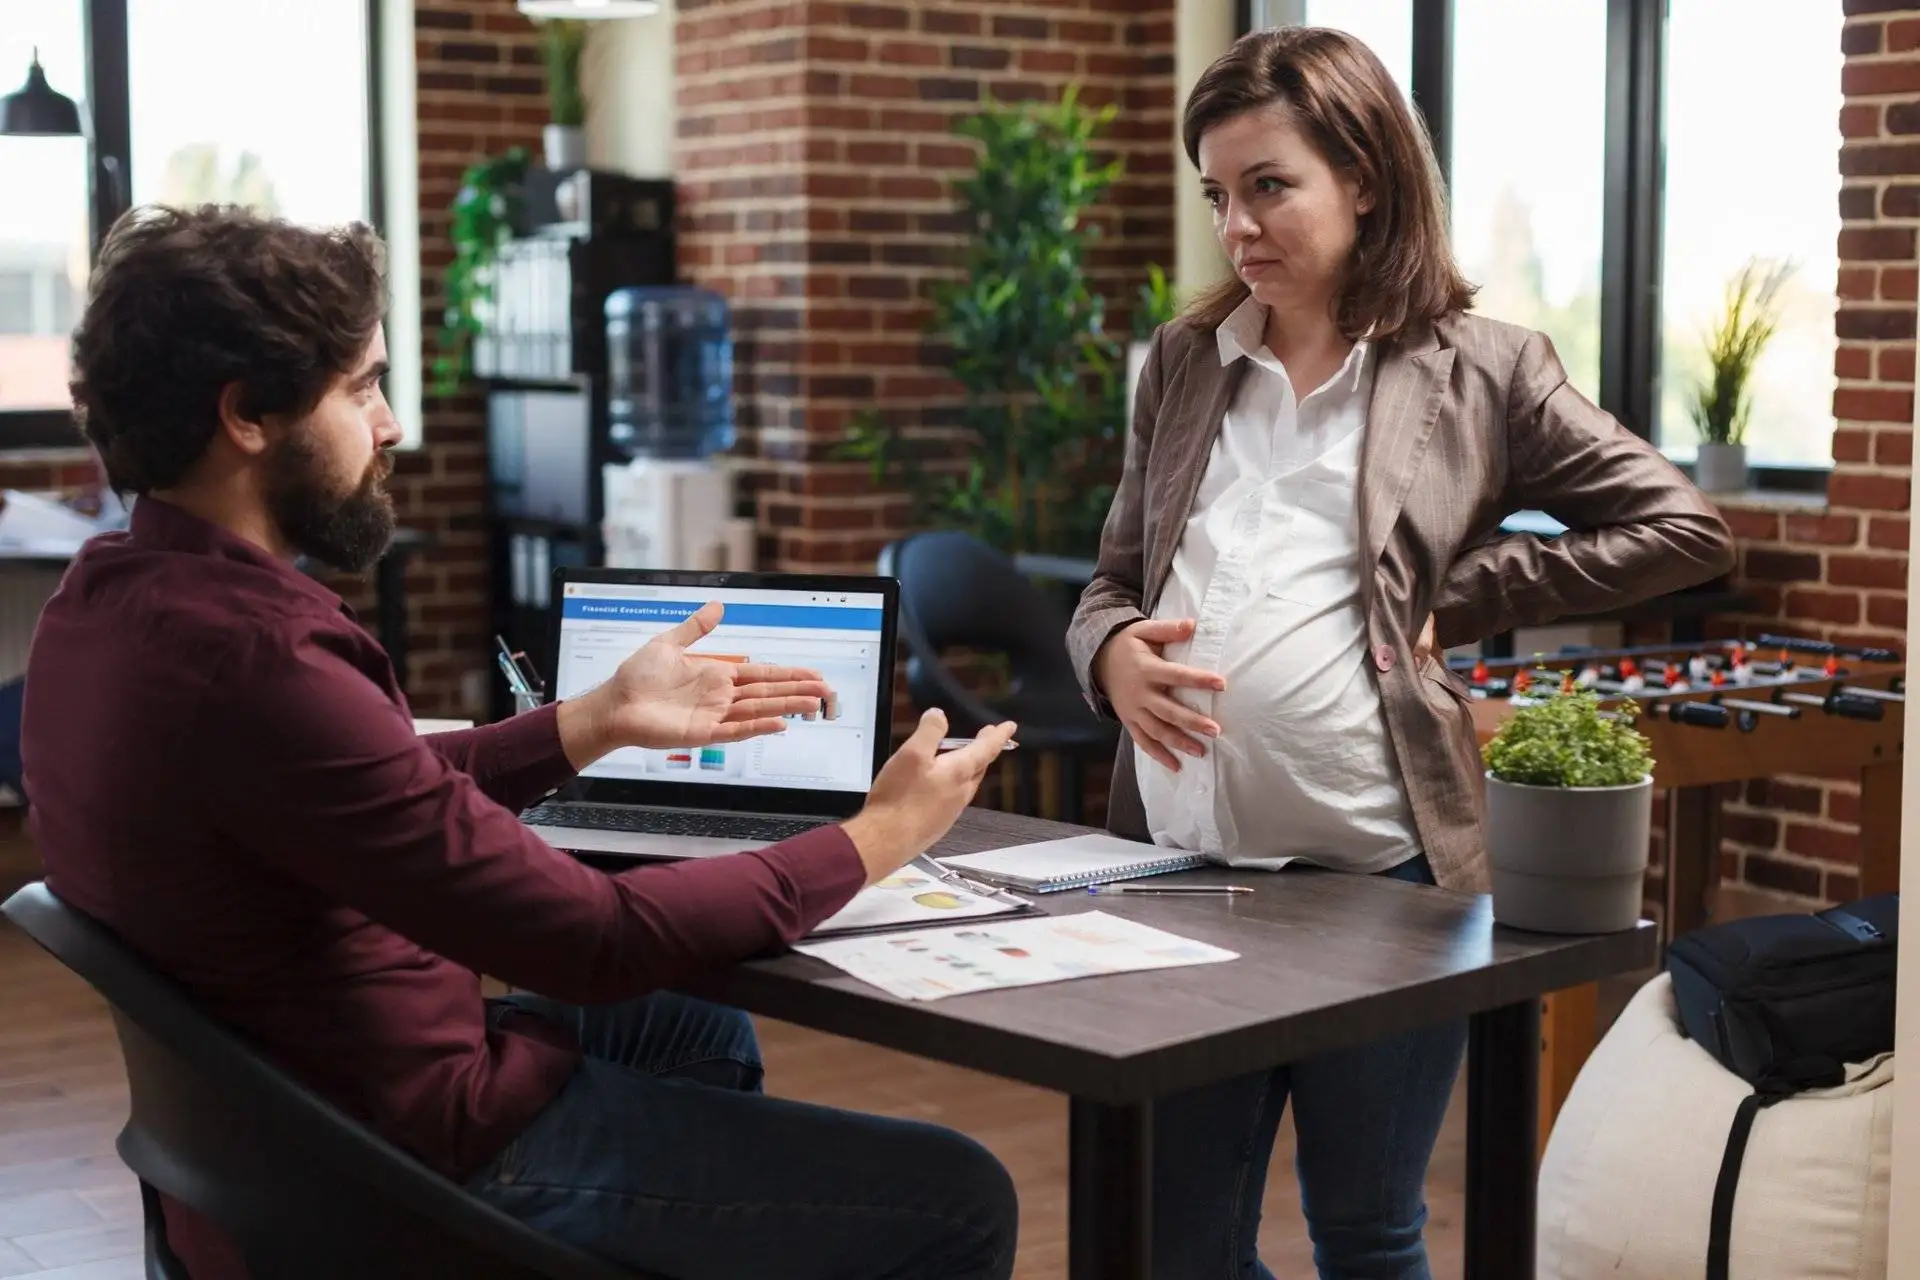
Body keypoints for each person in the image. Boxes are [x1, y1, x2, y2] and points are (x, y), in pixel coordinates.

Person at [23, 203, 1021, 1280]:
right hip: (402, 1164)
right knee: (959, 1196)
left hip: (266, 1139)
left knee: (691, 1025)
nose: (393, 423)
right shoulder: (265, 662)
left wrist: (592, 720)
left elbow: (372, 789)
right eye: (363, 386)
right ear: (248, 415)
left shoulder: (99, 610)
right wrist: (872, 838)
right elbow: (592, 938)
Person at [1066, 27, 1735, 1280]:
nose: (1238, 225)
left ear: (1364, 176)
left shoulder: (1484, 369)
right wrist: (1107, 653)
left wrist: (1464, 586)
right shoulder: (1182, 364)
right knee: (1173, 1238)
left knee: (1366, 1230)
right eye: (1219, 192)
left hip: (1384, 881)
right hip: (1177, 868)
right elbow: (1112, 577)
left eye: (1270, 184)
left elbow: (1682, 526)